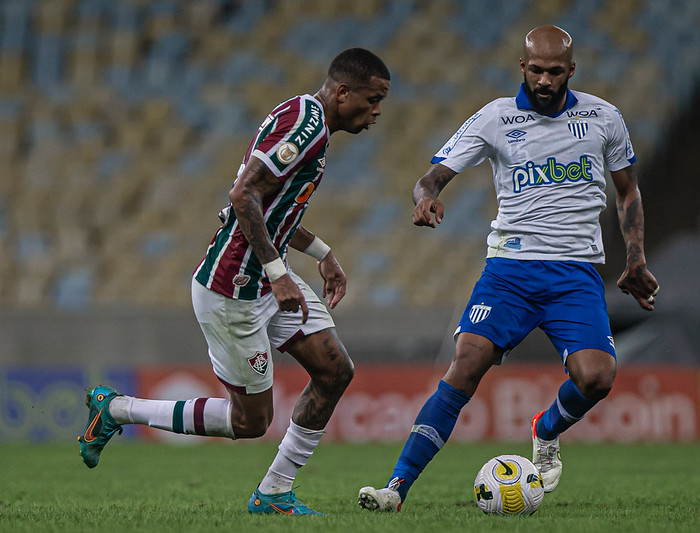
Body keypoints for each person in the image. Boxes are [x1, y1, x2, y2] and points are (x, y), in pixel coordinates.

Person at [78, 47, 391, 516]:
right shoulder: (306, 126)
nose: (376, 113)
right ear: (343, 91)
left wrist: (323, 255)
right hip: (233, 289)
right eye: (371, 100)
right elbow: (242, 194)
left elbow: (269, 207)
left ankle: (274, 492)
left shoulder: (309, 123)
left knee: (335, 371)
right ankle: (117, 409)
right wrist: (278, 273)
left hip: (265, 278)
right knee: (251, 422)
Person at [358, 25, 658, 512]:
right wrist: (426, 198)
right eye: (535, 70)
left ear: (571, 72)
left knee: (598, 379)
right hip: (509, 272)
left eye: (554, 72)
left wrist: (636, 257)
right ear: (522, 67)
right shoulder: (495, 118)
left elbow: (627, 190)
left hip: (575, 274)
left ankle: (546, 429)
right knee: (465, 366)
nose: (544, 80)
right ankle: (395, 488)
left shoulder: (604, 118)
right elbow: (430, 176)